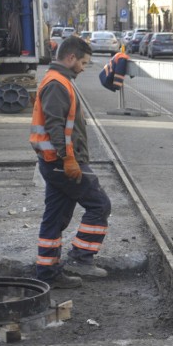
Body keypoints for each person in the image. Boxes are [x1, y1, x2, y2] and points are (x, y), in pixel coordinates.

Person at [29, 36, 111, 289]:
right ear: (71, 58)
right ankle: (80, 258)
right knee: (99, 204)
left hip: (54, 162)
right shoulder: (57, 84)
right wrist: (69, 160)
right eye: (84, 63)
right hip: (61, 163)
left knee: (55, 218)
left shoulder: (59, 81)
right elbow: (55, 126)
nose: (84, 68)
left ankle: (47, 273)